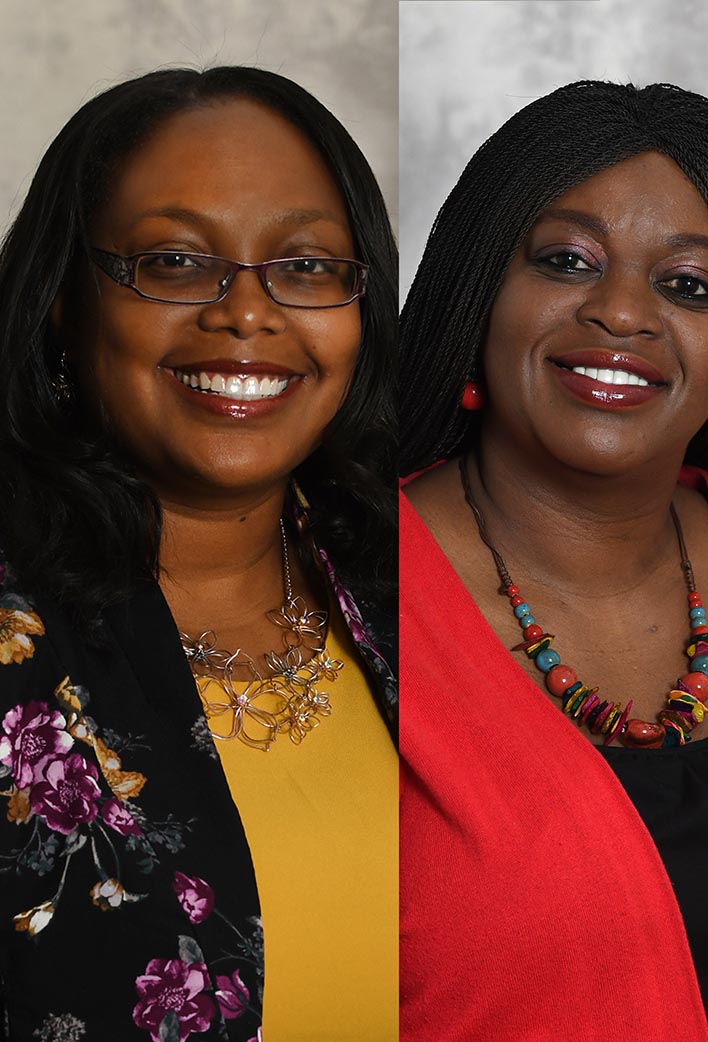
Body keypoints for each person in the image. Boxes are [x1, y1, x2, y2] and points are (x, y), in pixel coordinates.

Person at [0, 67, 398, 1041]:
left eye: (305, 266)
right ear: (64, 300)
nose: (247, 314)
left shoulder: (426, 586)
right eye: (176, 261)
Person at [398, 80, 708, 1041]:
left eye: (689, 285)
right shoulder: (335, 590)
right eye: (567, 261)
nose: (623, 313)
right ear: (478, 290)